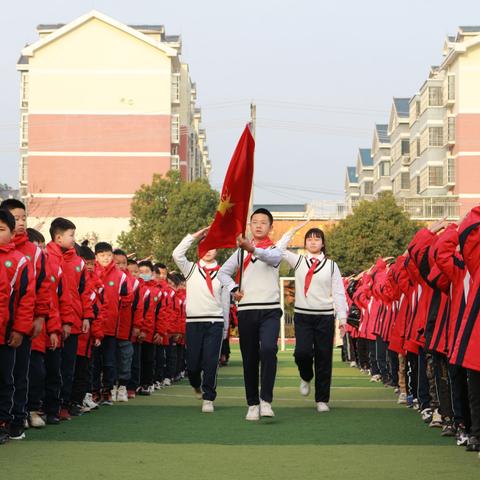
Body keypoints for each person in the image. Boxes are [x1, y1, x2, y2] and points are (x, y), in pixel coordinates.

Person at [218, 208, 282, 421]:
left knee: (269, 349)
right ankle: (252, 403)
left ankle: (266, 401)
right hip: (246, 310)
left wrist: (251, 249)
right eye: (255, 222)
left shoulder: (276, 248)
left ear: (270, 227)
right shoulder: (240, 252)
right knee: (250, 359)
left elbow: (270, 259)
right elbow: (222, 273)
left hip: (270, 309)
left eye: (264, 222)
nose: (259, 225)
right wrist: (234, 289)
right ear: (250, 226)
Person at [277, 226, 347, 412]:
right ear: (305, 243)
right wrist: (292, 231)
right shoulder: (298, 261)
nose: (313, 242)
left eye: (317, 239)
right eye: (309, 239)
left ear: (323, 243)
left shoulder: (332, 266)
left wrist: (343, 318)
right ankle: (306, 375)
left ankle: (322, 399)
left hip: (324, 316)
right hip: (303, 315)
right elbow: (280, 249)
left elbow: (339, 292)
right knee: (302, 353)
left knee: (324, 358)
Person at [0, 199, 50, 438]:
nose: (20, 222)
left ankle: (18, 417)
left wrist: (39, 317)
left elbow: (40, 288)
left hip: (22, 323)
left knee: (20, 372)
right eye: (15, 218)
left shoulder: (33, 253)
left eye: (23, 219)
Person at [172, 227, 227, 413]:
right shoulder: (191, 269)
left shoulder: (222, 272)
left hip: (215, 323)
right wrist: (194, 236)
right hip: (193, 323)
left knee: (211, 362)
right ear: (199, 249)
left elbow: (225, 302)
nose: (209, 250)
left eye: (212, 247)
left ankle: (208, 397)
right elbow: (177, 254)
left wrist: (225, 328)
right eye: (205, 246)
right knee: (193, 364)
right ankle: (196, 384)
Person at [48, 218, 93, 420]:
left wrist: (86, 317)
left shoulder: (78, 262)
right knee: (52, 368)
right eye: (71, 235)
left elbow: (85, 292)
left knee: (69, 367)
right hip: (53, 323)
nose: (74, 239)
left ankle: (65, 405)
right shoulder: (47, 257)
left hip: (74, 323)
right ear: (58, 237)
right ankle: (50, 406)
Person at [0, 209, 35, 443]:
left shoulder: (20, 261)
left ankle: (4, 421)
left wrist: (20, 329)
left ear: (12, 233)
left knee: (5, 378)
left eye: (1, 230)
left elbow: (26, 299)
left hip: (6, 334)